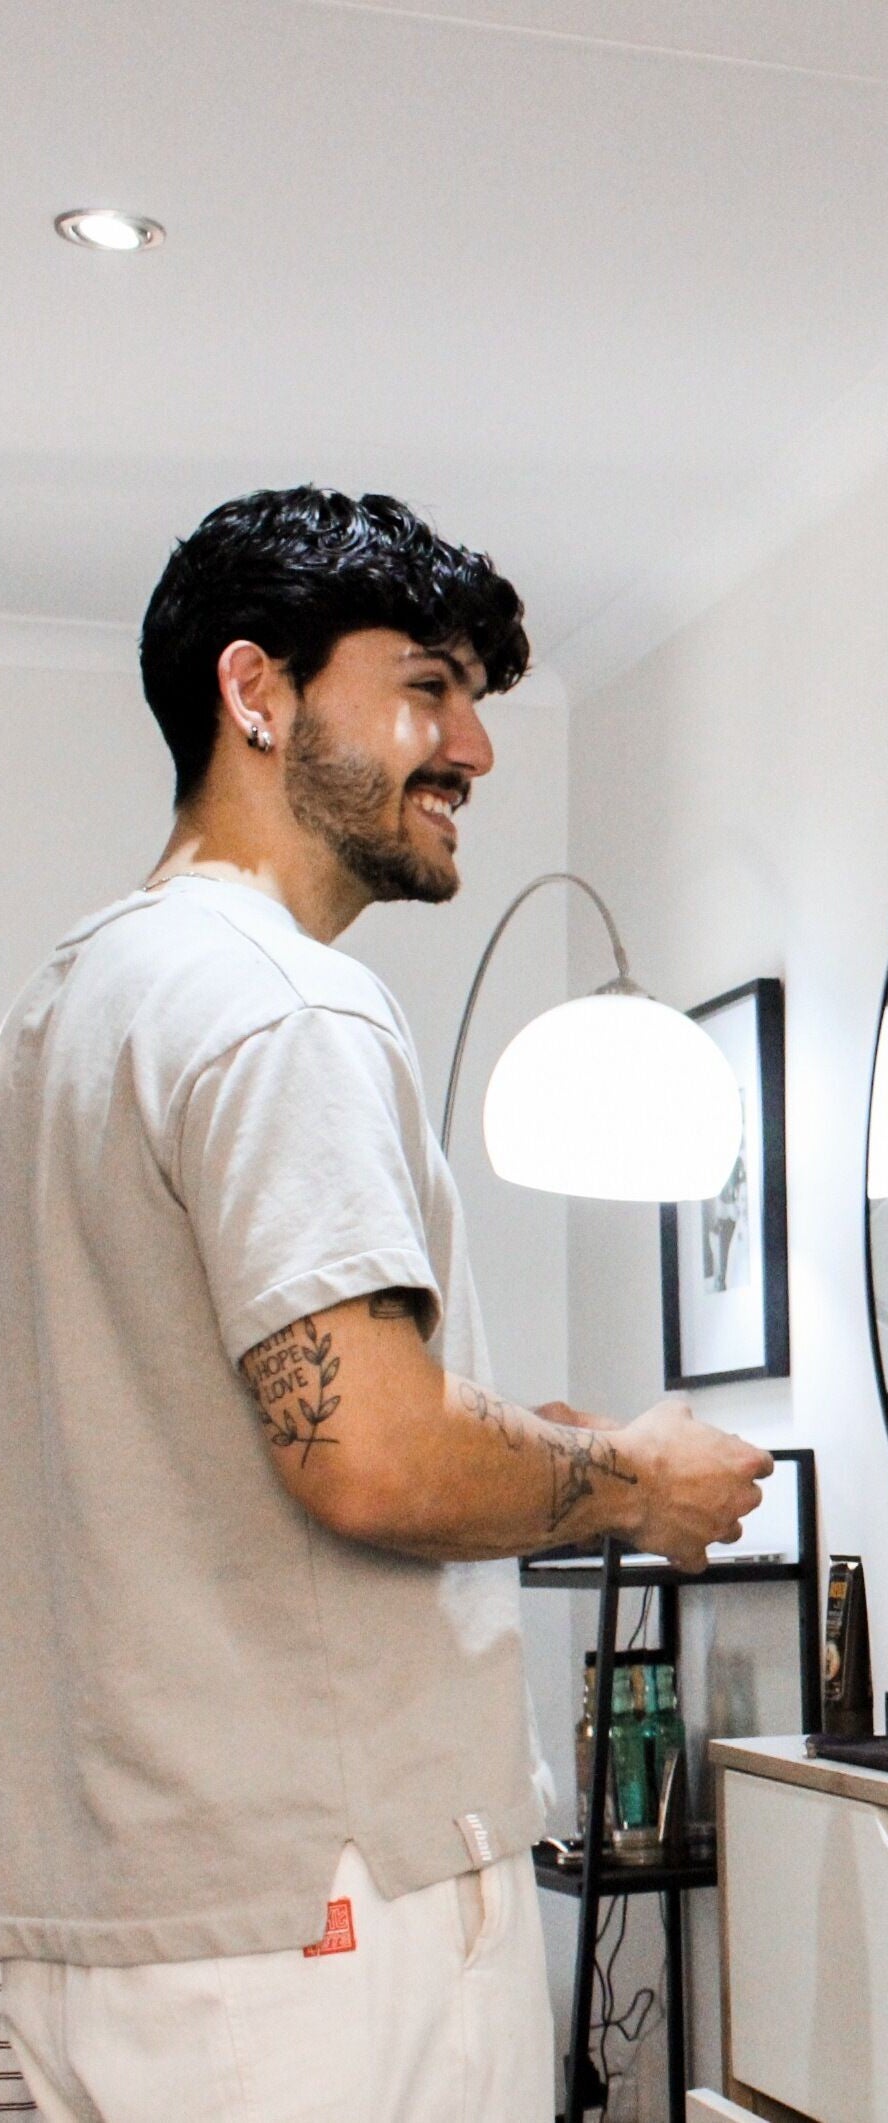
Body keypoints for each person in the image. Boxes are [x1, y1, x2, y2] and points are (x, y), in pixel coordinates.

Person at [0, 488, 774, 2122]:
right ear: (256, 692)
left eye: (477, 703)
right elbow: (370, 1456)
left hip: (111, 1916)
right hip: (313, 1924)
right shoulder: (283, 1003)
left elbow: (188, 1427)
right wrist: (639, 1474)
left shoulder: (70, 1007)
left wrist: (506, 1430)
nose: (472, 749)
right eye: (425, 686)